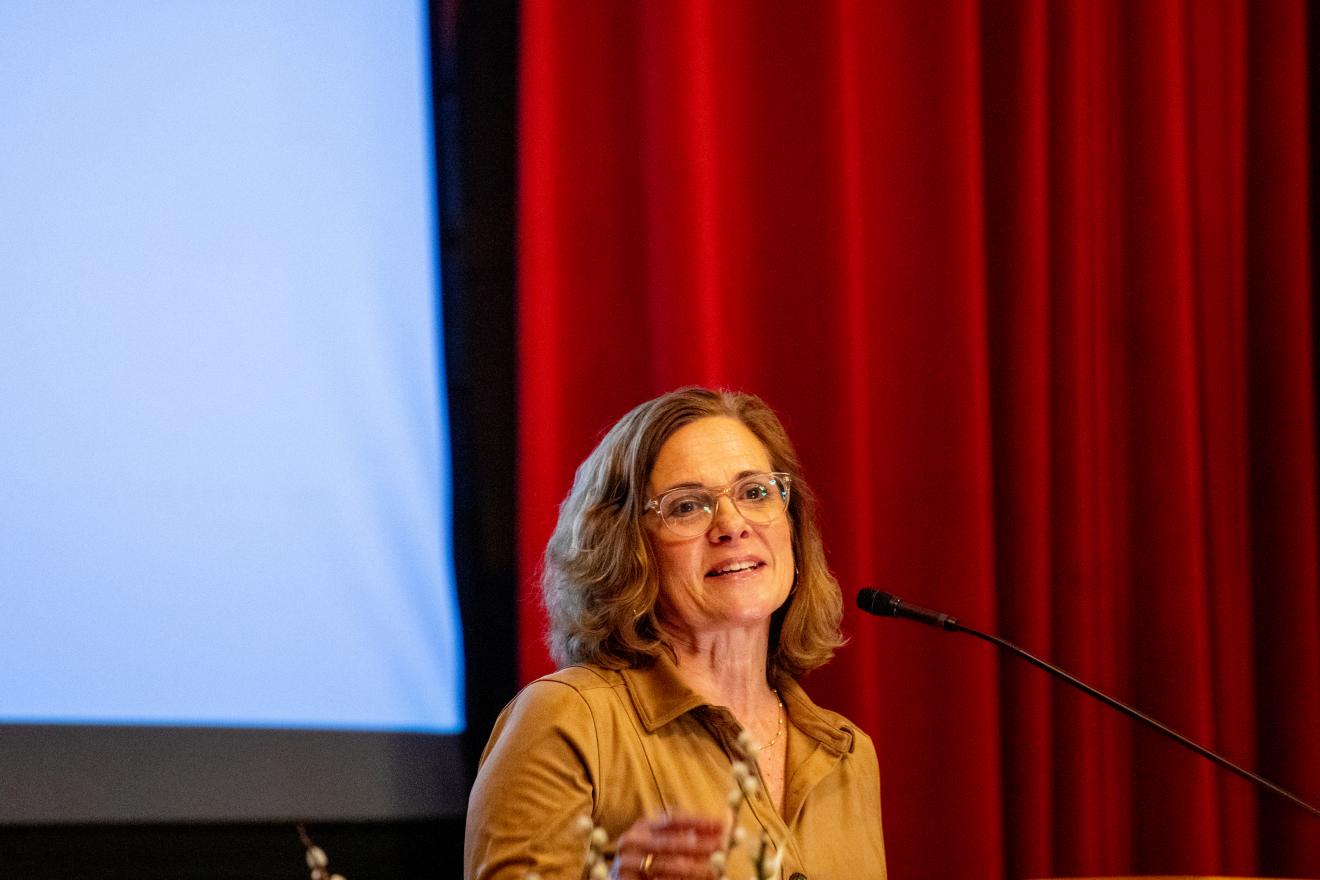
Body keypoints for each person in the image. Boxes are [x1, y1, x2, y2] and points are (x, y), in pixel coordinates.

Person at [465, 387, 887, 879]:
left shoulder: (848, 755)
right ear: (627, 548)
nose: (733, 524)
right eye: (688, 506)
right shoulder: (569, 723)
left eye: (755, 492)